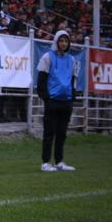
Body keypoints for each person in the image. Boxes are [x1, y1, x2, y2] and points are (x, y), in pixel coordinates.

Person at [36, 30, 77, 172]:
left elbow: (72, 81)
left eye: (66, 41)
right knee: (49, 133)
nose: (64, 43)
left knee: (62, 133)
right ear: (56, 42)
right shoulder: (47, 57)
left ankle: (59, 161)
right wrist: (47, 99)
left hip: (66, 102)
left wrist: (72, 97)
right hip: (52, 101)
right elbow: (41, 81)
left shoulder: (72, 60)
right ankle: (45, 163)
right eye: (61, 40)